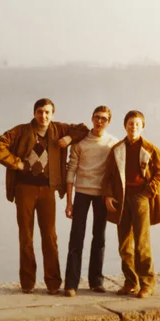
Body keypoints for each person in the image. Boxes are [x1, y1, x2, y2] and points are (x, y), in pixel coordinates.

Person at [0, 98, 89, 295]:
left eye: (47, 112)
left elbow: (84, 129)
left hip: (47, 191)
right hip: (24, 189)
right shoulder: (20, 131)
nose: (43, 116)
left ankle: (53, 283)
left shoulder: (59, 129)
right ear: (34, 113)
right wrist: (16, 163)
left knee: (49, 236)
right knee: (26, 235)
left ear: (52, 114)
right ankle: (27, 283)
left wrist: (69, 139)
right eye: (40, 112)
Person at [102, 110, 160, 299]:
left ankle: (147, 283)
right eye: (131, 123)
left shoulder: (151, 149)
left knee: (142, 244)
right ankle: (130, 282)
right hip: (121, 200)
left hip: (141, 199)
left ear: (143, 127)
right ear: (125, 126)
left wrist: (149, 191)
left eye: (137, 124)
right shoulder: (117, 149)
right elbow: (108, 176)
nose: (134, 127)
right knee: (124, 245)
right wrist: (107, 195)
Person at [63, 106, 118, 297]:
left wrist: (112, 195)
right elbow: (71, 171)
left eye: (103, 118)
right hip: (82, 193)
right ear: (92, 118)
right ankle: (71, 284)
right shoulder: (80, 142)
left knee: (99, 237)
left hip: (101, 195)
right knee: (76, 237)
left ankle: (96, 281)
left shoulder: (113, 143)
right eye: (96, 117)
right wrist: (69, 202)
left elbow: (115, 174)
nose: (99, 121)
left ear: (108, 121)